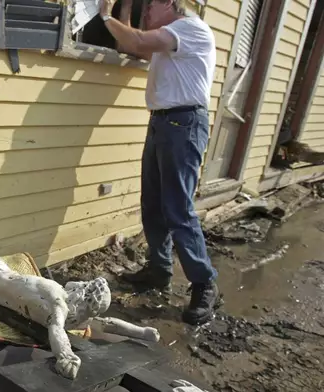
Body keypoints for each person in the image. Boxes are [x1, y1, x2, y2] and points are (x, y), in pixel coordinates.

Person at [98, 0, 220, 325]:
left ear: (169, 3)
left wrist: (105, 15)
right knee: (152, 203)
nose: (146, 15)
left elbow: (137, 40)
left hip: (183, 124)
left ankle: (204, 284)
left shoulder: (190, 28)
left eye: (148, 7)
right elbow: (136, 46)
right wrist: (122, 12)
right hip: (164, 123)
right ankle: (159, 270)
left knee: (178, 209)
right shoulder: (170, 39)